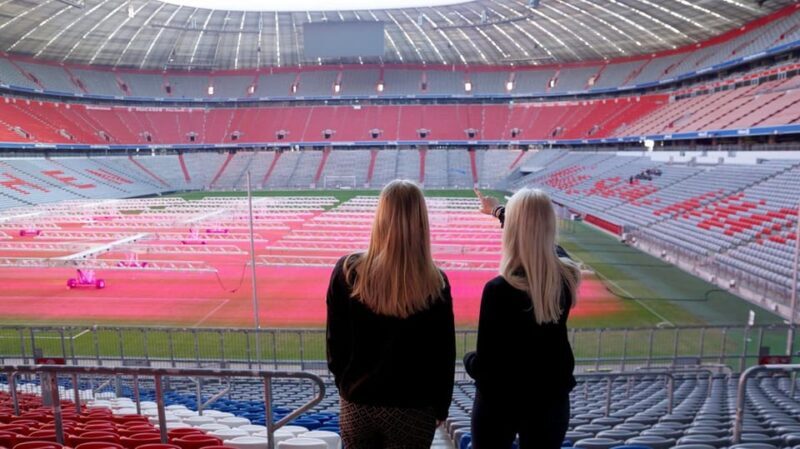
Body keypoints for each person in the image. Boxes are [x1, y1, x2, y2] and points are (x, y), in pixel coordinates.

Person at [326, 179, 456, 449]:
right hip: (414, 407)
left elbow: (335, 342)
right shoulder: (436, 282)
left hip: (358, 401)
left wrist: (347, 385)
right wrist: (440, 407)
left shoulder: (348, 271)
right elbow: (443, 354)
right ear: (421, 221)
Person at [466, 188, 581, 449]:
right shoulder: (565, 279)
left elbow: (486, 368)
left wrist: (468, 361)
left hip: (500, 402)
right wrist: (499, 212)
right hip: (551, 397)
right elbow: (551, 248)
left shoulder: (498, 290)